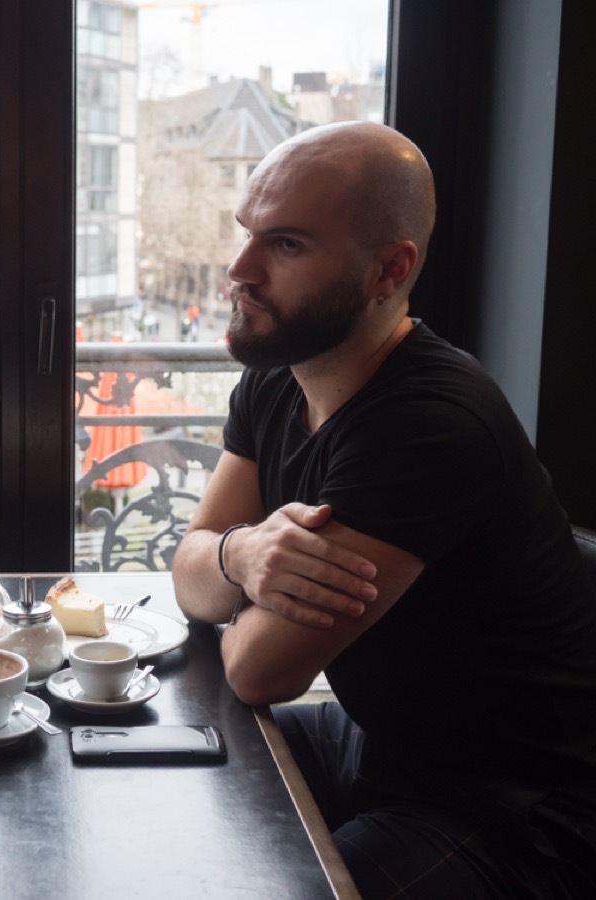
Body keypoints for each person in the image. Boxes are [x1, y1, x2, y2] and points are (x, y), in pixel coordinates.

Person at [172, 121, 596, 897]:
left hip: (511, 808)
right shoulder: (279, 369)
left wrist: (226, 567)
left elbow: (260, 667)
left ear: (388, 269)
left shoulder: (426, 427)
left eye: (287, 245)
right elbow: (190, 569)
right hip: (378, 737)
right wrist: (241, 554)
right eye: (247, 234)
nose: (239, 271)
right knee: (170, 766)